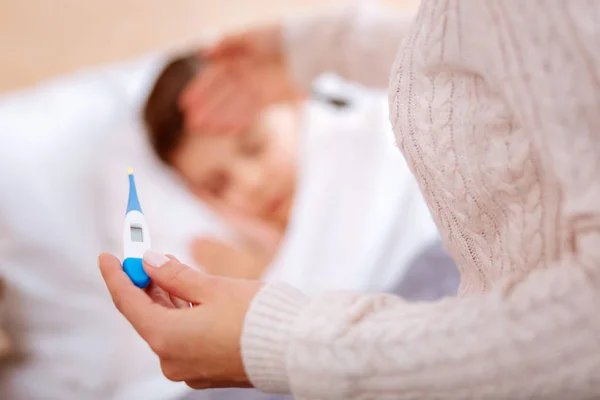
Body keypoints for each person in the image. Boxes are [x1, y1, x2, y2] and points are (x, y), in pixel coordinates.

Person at [99, 1, 600, 398]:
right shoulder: (231, 254)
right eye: (217, 187)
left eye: (253, 147)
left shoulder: (367, 144)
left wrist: (276, 323)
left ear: (295, 109)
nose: (247, 185)